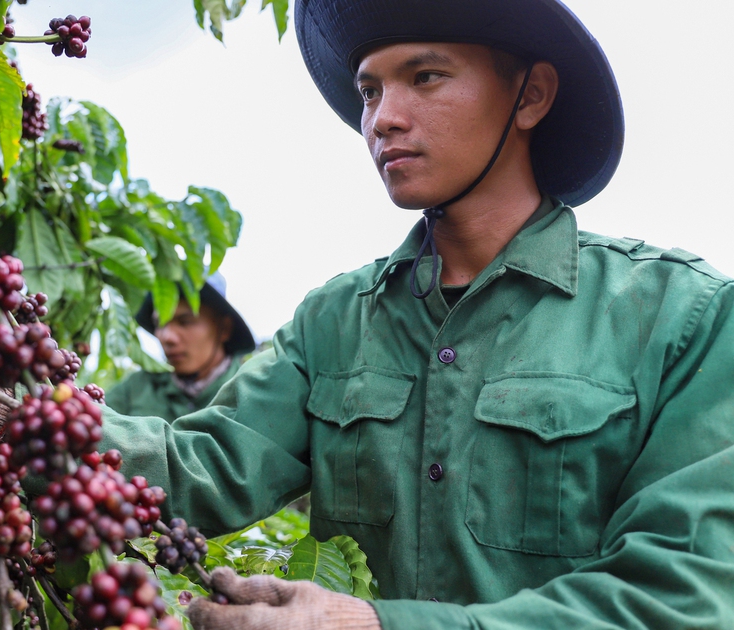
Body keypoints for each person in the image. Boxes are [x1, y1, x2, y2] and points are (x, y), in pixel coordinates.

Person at [96, 1, 734, 629]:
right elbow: (202, 465)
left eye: (426, 77)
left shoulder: (682, 317)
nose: (383, 119)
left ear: (531, 95)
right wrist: (24, 396)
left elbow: (682, 590)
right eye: (369, 91)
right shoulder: (334, 321)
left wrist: (374, 624)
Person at [105, 273, 257, 421]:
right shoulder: (135, 388)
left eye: (185, 321)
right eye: (160, 324)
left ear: (224, 329)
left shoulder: (251, 393)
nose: (167, 337)